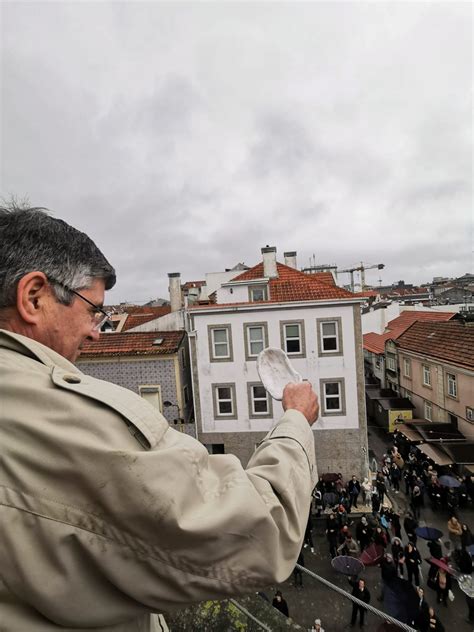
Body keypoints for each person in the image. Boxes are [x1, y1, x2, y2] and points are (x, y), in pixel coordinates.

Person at [0, 205, 320, 631]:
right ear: (34, 297)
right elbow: (261, 532)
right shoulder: (60, 418)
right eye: (92, 309)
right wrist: (296, 421)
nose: (97, 330)